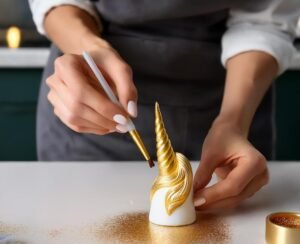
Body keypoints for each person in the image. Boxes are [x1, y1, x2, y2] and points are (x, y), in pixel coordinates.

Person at [29, 0, 299, 210]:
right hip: (90, 106)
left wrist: (233, 121)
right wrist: (89, 48)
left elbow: (265, 19)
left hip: (231, 96)